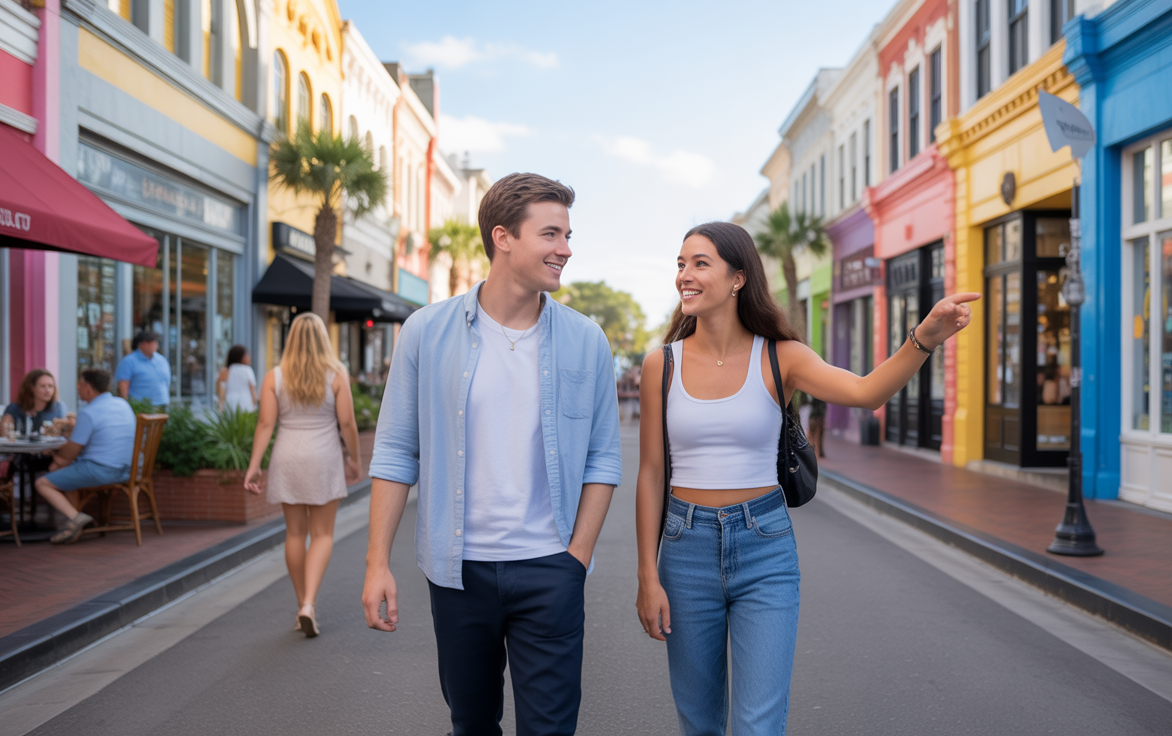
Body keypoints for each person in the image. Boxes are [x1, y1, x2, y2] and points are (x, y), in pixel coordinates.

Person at [634, 222, 977, 735]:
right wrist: (646, 574)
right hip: (685, 549)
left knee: (758, 723)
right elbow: (651, 473)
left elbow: (864, 392)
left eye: (699, 263)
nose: (684, 275)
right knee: (699, 721)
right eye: (680, 264)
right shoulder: (660, 364)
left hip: (764, 547)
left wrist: (922, 338)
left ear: (737, 278)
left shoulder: (781, 356)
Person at [363, 173, 622, 736]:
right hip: (458, 573)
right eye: (551, 234)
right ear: (502, 237)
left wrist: (575, 557)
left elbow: (603, 458)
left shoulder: (586, 340)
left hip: (551, 568)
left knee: (550, 729)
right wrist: (376, 562)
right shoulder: (425, 332)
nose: (566, 249)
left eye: (569, 235)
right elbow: (394, 451)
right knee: (472, 724)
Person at [244, 313, 361, 638]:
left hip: (288, 457)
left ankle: (301, 605)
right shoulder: (336, 374)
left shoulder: (274, 377)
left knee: (294, 534)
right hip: (323, 457)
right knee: (322, 534)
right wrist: (354, 459)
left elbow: (265, 424)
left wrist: (254, 466)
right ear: (323, 339)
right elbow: (348, 424)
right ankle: (309, 603)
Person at [35, 369, 137, 545]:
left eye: (79, 385)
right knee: (65, 473)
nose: (77, 389)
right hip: (129, 470)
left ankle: (76, 518)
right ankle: (74, 528)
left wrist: (57, 459)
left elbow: (69, 454)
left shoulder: (89, 412)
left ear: (87, 387)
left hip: (102, 470)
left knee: (43, 483)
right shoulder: (123, 404)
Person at [0, 369, 69, 437]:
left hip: (50, 449)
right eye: (42, 386)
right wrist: (5, 425)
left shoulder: (58, 408)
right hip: (21, 449)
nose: (48, 390)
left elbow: (64, 436)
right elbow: (2, 436)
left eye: (50, 386)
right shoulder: (14, 409)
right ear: (31, 388)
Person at [115, 331, 171, 406]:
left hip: (162, 404)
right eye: (150, 342)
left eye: (155, 342)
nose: (154, 345)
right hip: (141, 406)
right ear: (141, 344)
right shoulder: (129, 361)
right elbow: (123, 385)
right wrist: (125, 406)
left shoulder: (162, 360)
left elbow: (166, 382)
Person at [217, 345, 259, 412]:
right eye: (247, 355)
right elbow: (252, 390)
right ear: (241, 357)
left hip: (229, 404)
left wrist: (221, 405)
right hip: (246, 403)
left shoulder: (225, 371)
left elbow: (220, 391)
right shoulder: (248, 370)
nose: (249, 357)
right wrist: (255, 404)